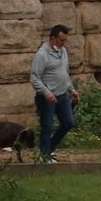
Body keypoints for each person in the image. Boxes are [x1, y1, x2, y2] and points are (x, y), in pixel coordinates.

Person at [30, 24, 80, 163]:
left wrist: (72, 90)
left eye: (65, 40)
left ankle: (47, 149)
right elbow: (34, 77)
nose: (63, 43)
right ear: (52, 38)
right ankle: (45, 156)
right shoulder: (42, 54)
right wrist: (46, 92)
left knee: (69, 122)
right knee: (47, 126)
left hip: (62, 94)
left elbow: (64, 74)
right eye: (61, 40)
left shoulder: (63, 51)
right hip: (47, 97)